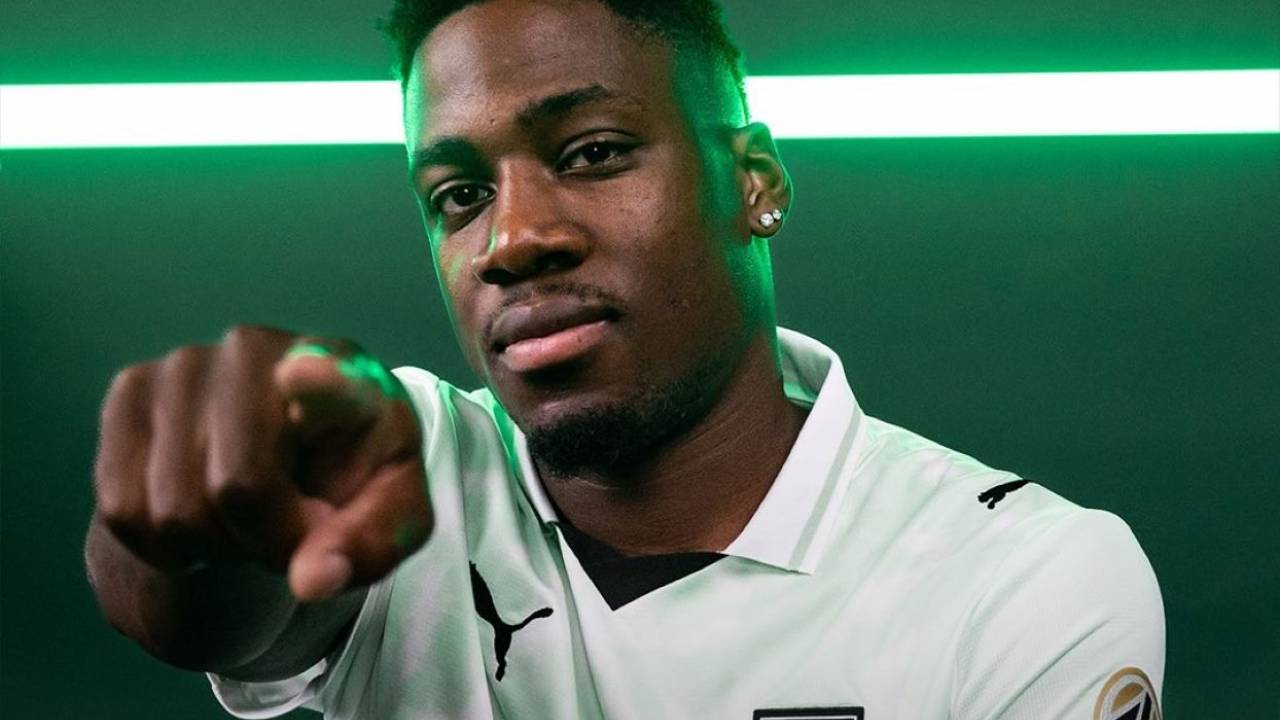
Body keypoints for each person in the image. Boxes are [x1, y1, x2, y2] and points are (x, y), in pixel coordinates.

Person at [85, 1, 1166, 718]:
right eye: (459, 195)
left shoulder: (1023, 577)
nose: (511, 240)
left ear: (753, 181)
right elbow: (197, 613)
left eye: (592, 152)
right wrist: (196, 517)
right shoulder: (409, 469)